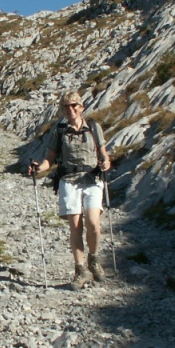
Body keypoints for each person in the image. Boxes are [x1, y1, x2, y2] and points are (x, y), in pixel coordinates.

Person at [28, 90, 111, 290]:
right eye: (66, 107)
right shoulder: (59, 129)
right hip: (68, 180)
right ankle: (80, 269)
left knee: (93, 223)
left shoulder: (93, 127)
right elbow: (50, 157)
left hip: (92, 178)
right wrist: (39, 168)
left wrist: (106, 162)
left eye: (74, 106)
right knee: (75, 227)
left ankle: (93, 258)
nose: (70, 109)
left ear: (81, 107)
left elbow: (102, 153)